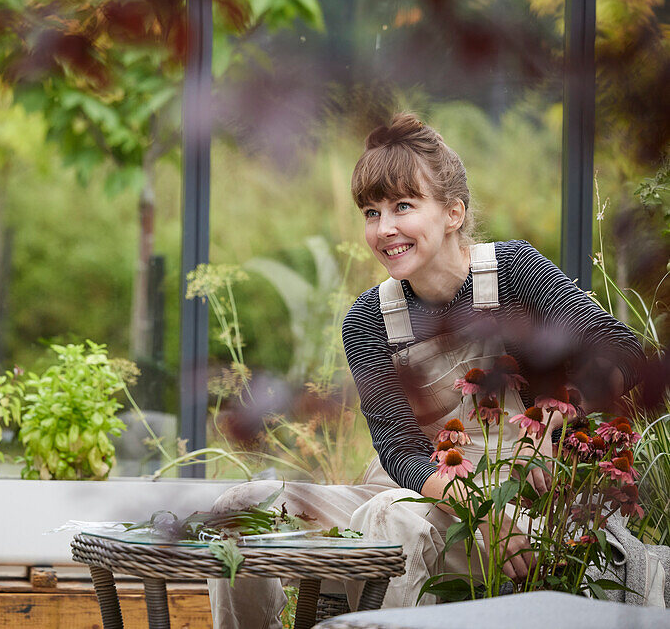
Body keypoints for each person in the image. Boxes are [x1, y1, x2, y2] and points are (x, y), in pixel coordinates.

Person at [209, 113, 649, 628]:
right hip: (427, 499)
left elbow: (625, 350)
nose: (384, 228)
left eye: (402, 206)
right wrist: (481, 513)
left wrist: (570, 403)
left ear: (453, 212)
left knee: (388, 517)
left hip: (527, 510)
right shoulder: (369, 320)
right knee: (239, 510)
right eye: (371, 212)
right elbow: (401, 452)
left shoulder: (515, 274)